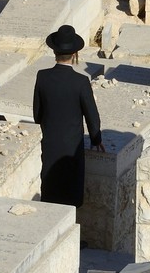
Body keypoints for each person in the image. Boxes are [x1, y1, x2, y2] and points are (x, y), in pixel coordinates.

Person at [32, 25, 103, 207]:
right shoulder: (81, 82)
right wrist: (96, 139)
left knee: (51, 189)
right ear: (75, 54)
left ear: (54, 52)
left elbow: (37, 114)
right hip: (72, 147)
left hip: (50, 144)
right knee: (70, 191)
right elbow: (91, 115)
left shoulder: (42, 76)